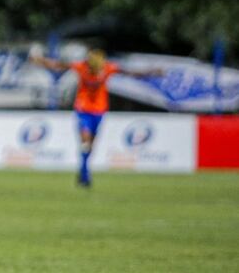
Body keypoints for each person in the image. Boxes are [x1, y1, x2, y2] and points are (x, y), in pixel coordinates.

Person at [30, 47, 161, 187]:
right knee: (85, 141)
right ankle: (85, 177)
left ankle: (83, 170)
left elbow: (130, 73)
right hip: (83, 109)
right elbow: (58, 65)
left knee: (90, 146)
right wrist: (40, 60)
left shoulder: (109, 68)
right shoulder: (81, 66)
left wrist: (151, 72)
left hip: (99, 111)